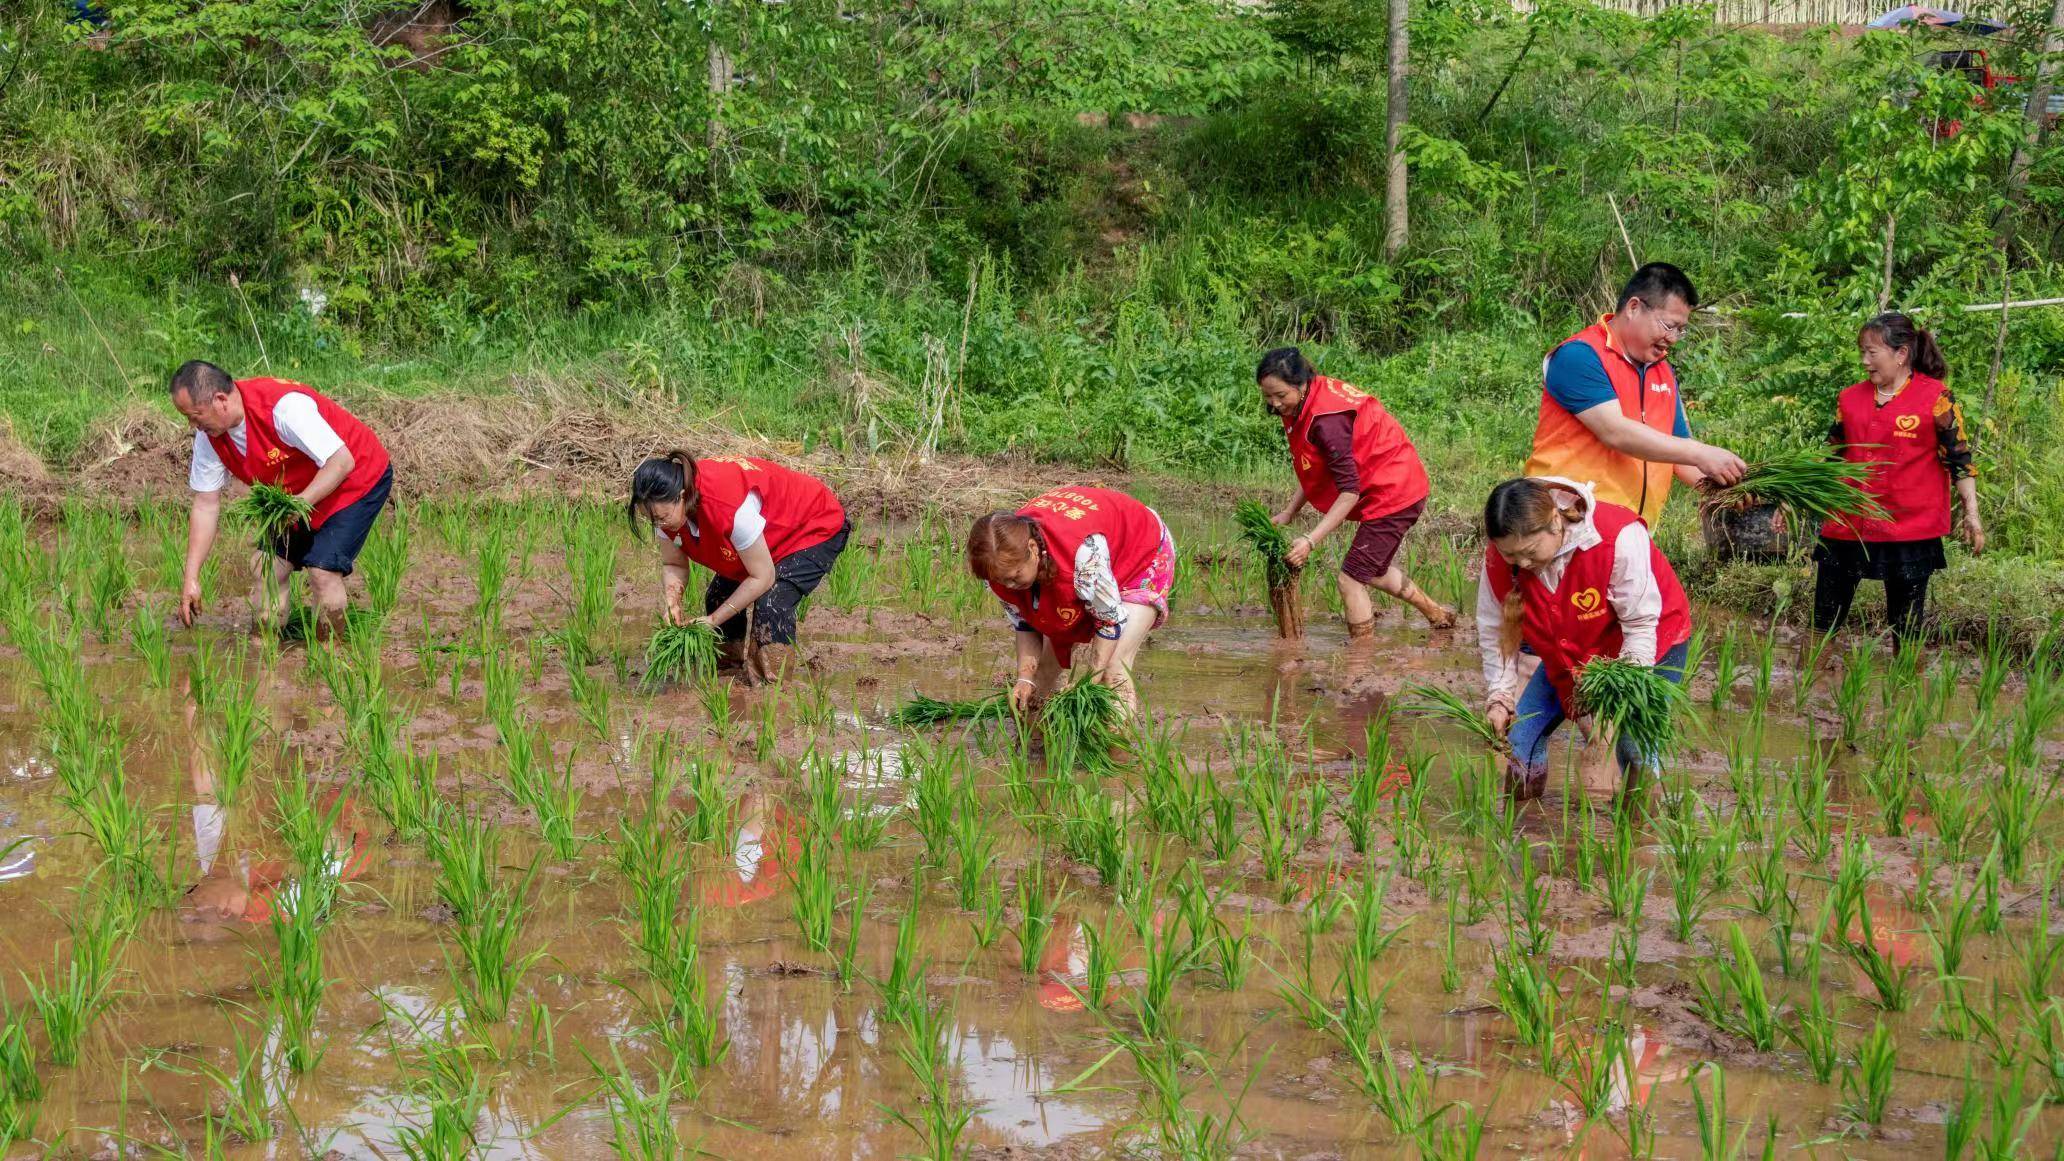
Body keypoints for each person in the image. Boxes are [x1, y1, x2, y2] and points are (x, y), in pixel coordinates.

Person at [1477, 477, 1691, 799]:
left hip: (1650, 643)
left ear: (1554, 521)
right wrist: (1500, 699)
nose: (1522, 564)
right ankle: (1521, 830)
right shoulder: (1499, 561)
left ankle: (1640, 839)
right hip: (1572, 650)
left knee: (1634, 743)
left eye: (1530, 552)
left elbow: (1641, 625)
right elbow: (1498, 634)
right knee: (1521, 739)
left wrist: (1618, 691)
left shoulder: (1616, 537)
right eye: (1511, 556)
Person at [170, 361, 394, 640]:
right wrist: (191, 578)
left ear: (220, 400)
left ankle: (330, 655)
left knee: (322, 571)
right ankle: (264, 646)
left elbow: (341, 461)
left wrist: (301, 504)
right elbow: (206, 504)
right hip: (299, 489)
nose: (193, 426)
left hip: (356, 477)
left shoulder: (284, 409)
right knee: (266, 564)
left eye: (195, 416)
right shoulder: (210, 437)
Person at [1255, 347, 1455, 636]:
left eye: (1280, 395)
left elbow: (1349, 492)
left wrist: (1310, 541)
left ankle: (1359, 665)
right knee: (1372, 569)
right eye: (1267, 396)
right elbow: (1316, 469)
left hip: (1393, 489)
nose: (1274, 404)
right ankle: (1438, 614)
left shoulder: (1326, 420)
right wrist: (1289, 512)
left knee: (1350, 579)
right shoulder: (1308, 399)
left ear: (1300, 384)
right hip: (1390, 479)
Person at [1525, 263, 1747, 524]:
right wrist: (1699, 452)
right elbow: (1615, 432)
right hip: (1566, 524)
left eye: (1681, 330)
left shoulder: (1662, 371)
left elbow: (1677, 453)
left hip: (1629, 532)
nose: (1673, 338)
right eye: (1668, 325)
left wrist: (1725, 487)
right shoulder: (1580, 355)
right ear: (1633, 308)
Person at [1812, 312, 1981, 644]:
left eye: (1872, 352)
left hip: (1909, 529)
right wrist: (1795, 499)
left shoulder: (1936, 399)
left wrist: (1972, 514)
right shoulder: (1849, 399)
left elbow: (1959, 461)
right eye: (1862, 351)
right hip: (1848, 524)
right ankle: (1811, 684)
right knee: (1822, 624)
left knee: (1906, 630)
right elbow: (1831, 455)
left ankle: (1904, 690)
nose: (1864, 361)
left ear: (1901, 353)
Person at [627, 451, 850, 683]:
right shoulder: (663, 508)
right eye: (651, 520)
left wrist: (712, 621)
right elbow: (673, 562)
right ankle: (728, 671)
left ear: (682, 496)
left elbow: (762, 577)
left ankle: (772, 689)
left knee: (772, 605)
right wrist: (672, 604)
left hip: (813, 523)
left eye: (662, 518)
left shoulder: (728, 509)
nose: (658, 526)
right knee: (718, 596)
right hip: (767, 534)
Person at [966, 486, 1177, 719]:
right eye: (1000, 580)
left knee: (1113, 672)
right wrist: (1024, 678)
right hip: (1082, 567)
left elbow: (1109, 622)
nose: (1009, 586)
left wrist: (1088, 683)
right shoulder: (998, 572)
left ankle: (1118, 752)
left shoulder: (1084, 557)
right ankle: (1035, 746)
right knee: (1041, 677)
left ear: (1033, 549)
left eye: (1015, 577)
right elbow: (1025, 625)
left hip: (1141, 552)